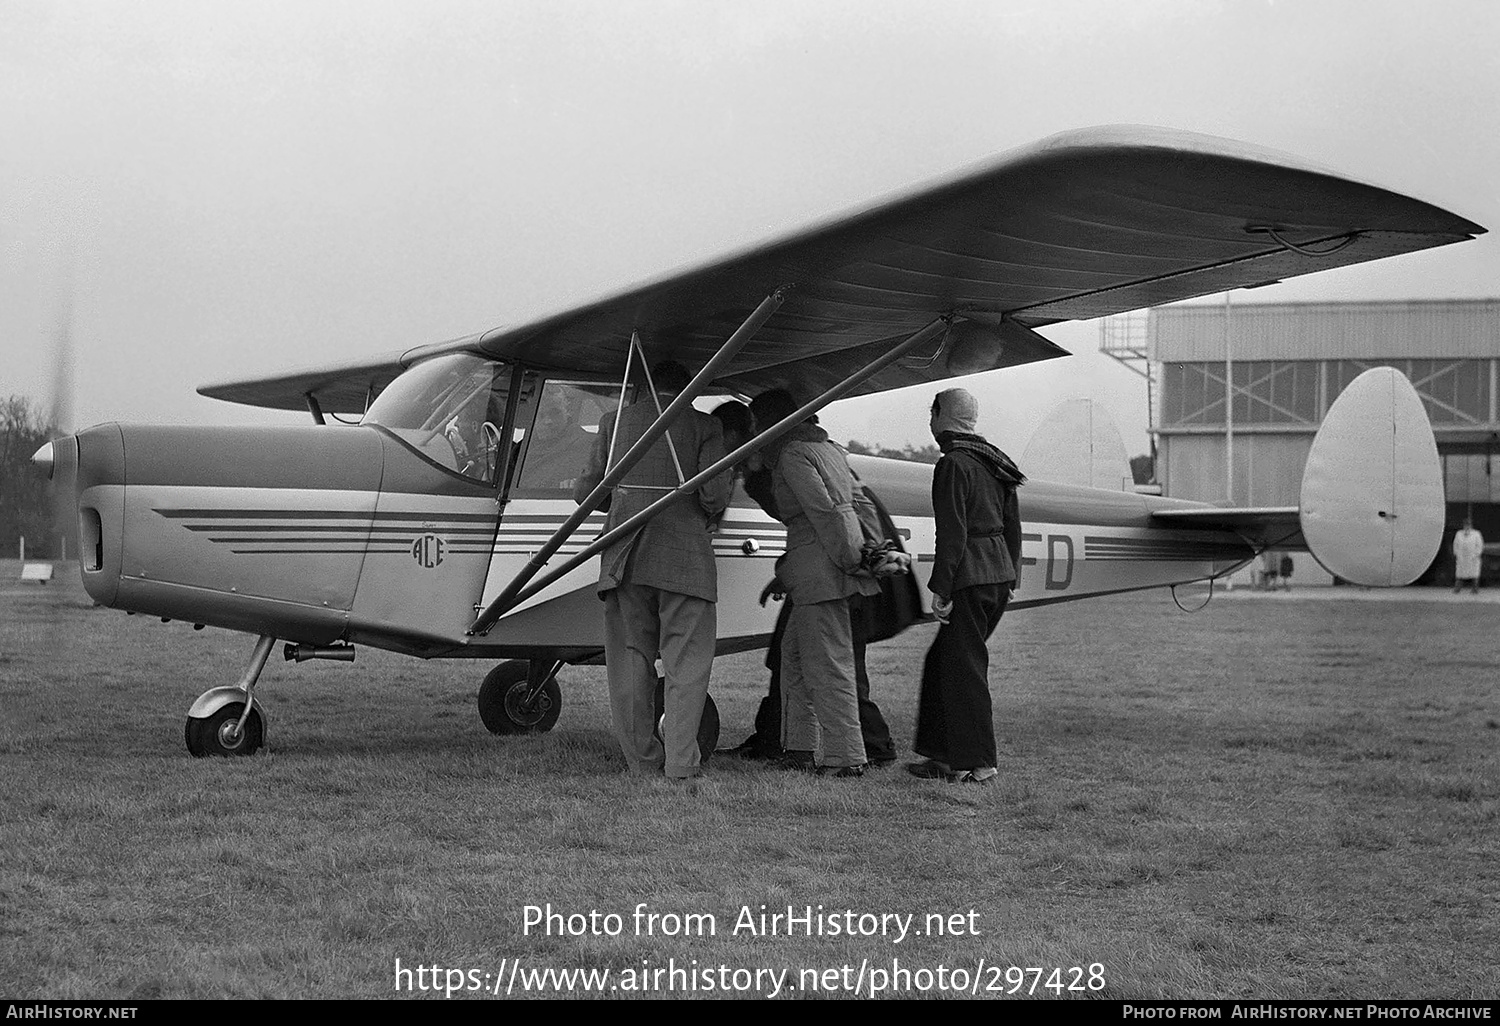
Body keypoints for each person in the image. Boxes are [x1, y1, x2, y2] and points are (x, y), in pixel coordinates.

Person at [572, 360, 732, 780]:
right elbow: (714, 495)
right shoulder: (705, 428)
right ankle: (681, 763)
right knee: (687, 665)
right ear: (689, 389)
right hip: (686, 562)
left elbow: (587, 494)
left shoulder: (613, 423)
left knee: (629, 663)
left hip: (625, 558)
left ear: (642, 389)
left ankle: (641, 762)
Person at [748, 388, 878, 777]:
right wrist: (862, 556)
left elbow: (823, 512)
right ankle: (800, 747)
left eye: (758, 425)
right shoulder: (832, 450)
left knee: (827, 664)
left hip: (820, 571)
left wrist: (851, 560)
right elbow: (859, 503)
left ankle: (846, 757)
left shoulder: (792, 454)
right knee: (795, 658)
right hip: (818, 569)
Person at [909, 387, 1024, 786]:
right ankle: (940, 757)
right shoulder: (995, 461)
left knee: (964, 669)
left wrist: (942, 588)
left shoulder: (954, 464)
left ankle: (980, 764)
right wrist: (1011, 575)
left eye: (932, 412)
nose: (930, 421)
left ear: (943, 417)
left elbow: (952, 534)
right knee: (943, 661)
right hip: (996, 575)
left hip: (970, 578)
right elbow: (1012, 525)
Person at [1453, 517, 1484, 594]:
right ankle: (1457, 588)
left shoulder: (1476, 534)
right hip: (1462, 557)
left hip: (1473, 558)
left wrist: (1476, 554)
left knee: (1474, 574)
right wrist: (1456, 553)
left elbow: (1480, 545)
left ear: (1471, 525)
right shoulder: (1459, 533)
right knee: (1460, 574)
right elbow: (1455, 544)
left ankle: (1475, 588)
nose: (1467, 526)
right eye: (1465, 524)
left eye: (1468, 524)